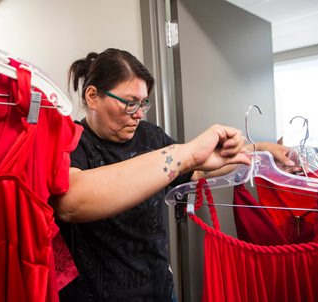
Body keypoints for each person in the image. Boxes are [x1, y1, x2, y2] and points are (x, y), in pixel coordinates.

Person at [51, 48, 295, 301]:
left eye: (143, 103)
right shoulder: (71, 141)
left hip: (159, 290)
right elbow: (71, 203)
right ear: (93, 97)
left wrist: (260, 151)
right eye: (130, 102)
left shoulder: (150, 135)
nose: (138, 114)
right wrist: (186, 155)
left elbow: (196, 169)